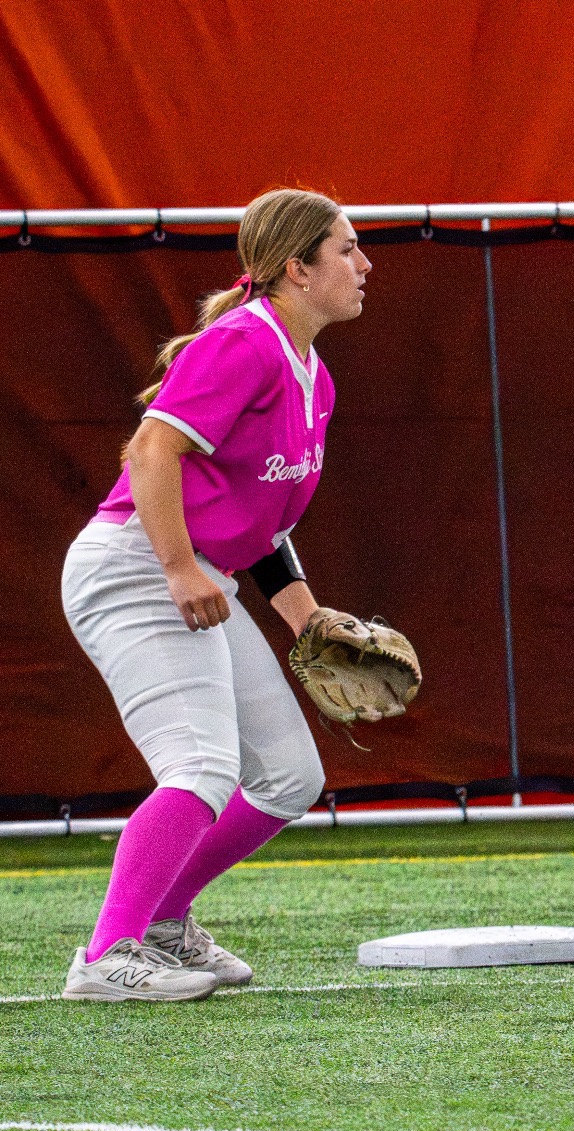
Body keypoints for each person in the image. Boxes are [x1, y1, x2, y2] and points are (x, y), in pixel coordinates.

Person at [58, 188, 372, 1001]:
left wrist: (306, 616)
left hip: (197, 572)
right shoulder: (243, 342)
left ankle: (161, 921)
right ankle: (105, 955)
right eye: (345, 249)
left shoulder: (314, 376)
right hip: (137, 567)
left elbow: (261, 520)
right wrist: (176, 566)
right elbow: (152, 451)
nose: (363, 265)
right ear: (297, 269)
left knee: (289, 777)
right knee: (199, 766)